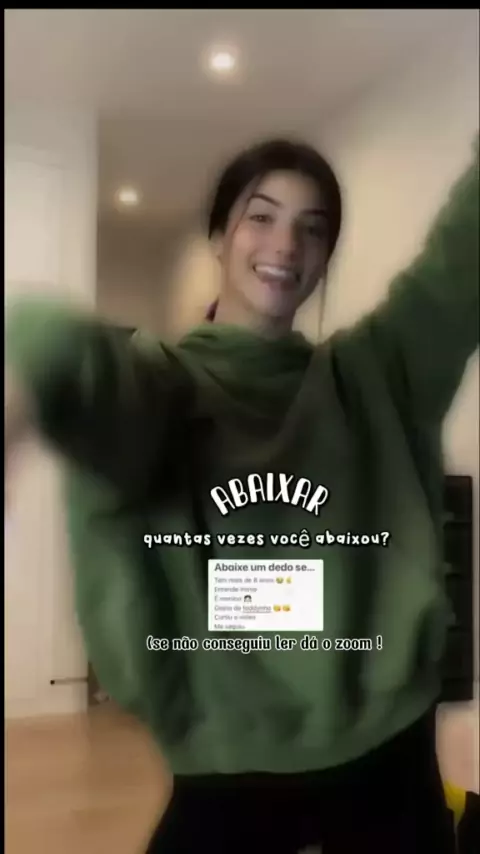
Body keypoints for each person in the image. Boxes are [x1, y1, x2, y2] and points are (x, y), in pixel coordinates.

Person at [5, 135, 479, 854]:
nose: (286, 244)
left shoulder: (376, 377)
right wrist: (25, 382)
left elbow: (457, 267)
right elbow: (71, 358)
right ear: (219, 237)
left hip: (390, 760)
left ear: (325, 259)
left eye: (313, 228)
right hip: (224, 771)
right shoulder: (160, 386)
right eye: (261, 216)